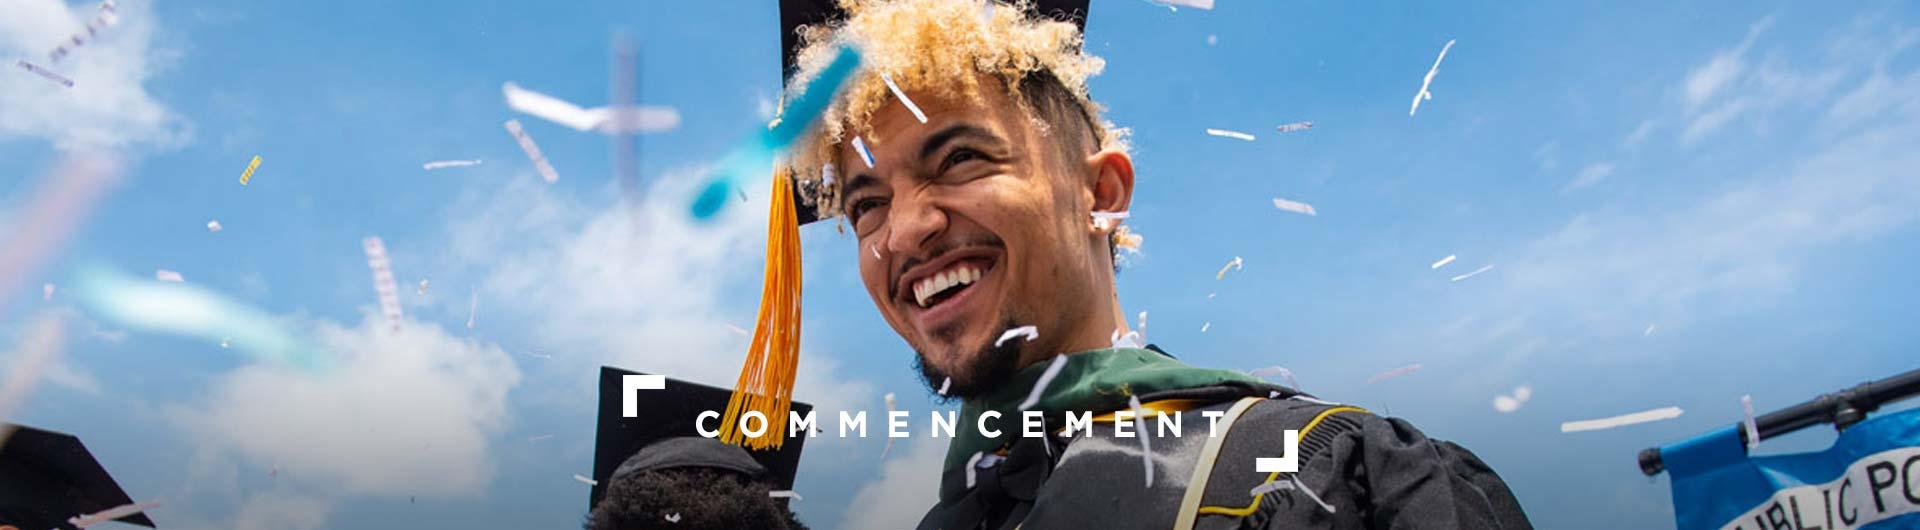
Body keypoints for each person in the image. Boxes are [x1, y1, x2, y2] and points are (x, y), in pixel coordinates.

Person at [704, 0, 1539, 528]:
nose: (906, 230)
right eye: (865, 204)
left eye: (957, 159)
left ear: (1100, 193)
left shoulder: (1321, 478)